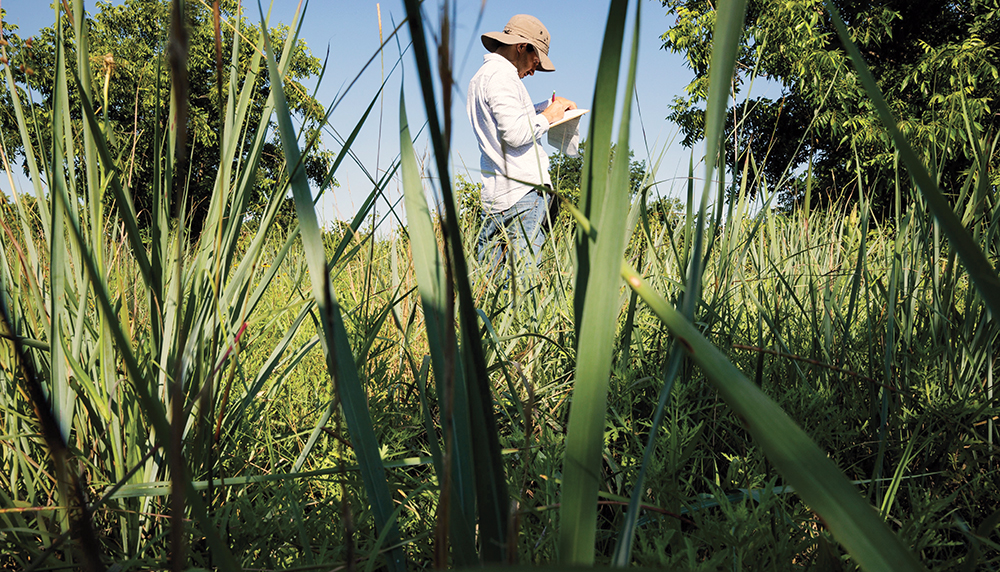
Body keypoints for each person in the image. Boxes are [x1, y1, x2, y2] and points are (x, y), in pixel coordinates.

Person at [467, 14, 576, 275]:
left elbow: (506, 118)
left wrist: (547, 106)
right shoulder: (503, 77)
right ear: (521, 47)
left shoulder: (481, 78)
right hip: (523, 194)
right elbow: (514, 133)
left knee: (489, 284)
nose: (533, 70)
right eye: (535, 61)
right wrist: (549, 117)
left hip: (495, 197)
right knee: (523, 283)